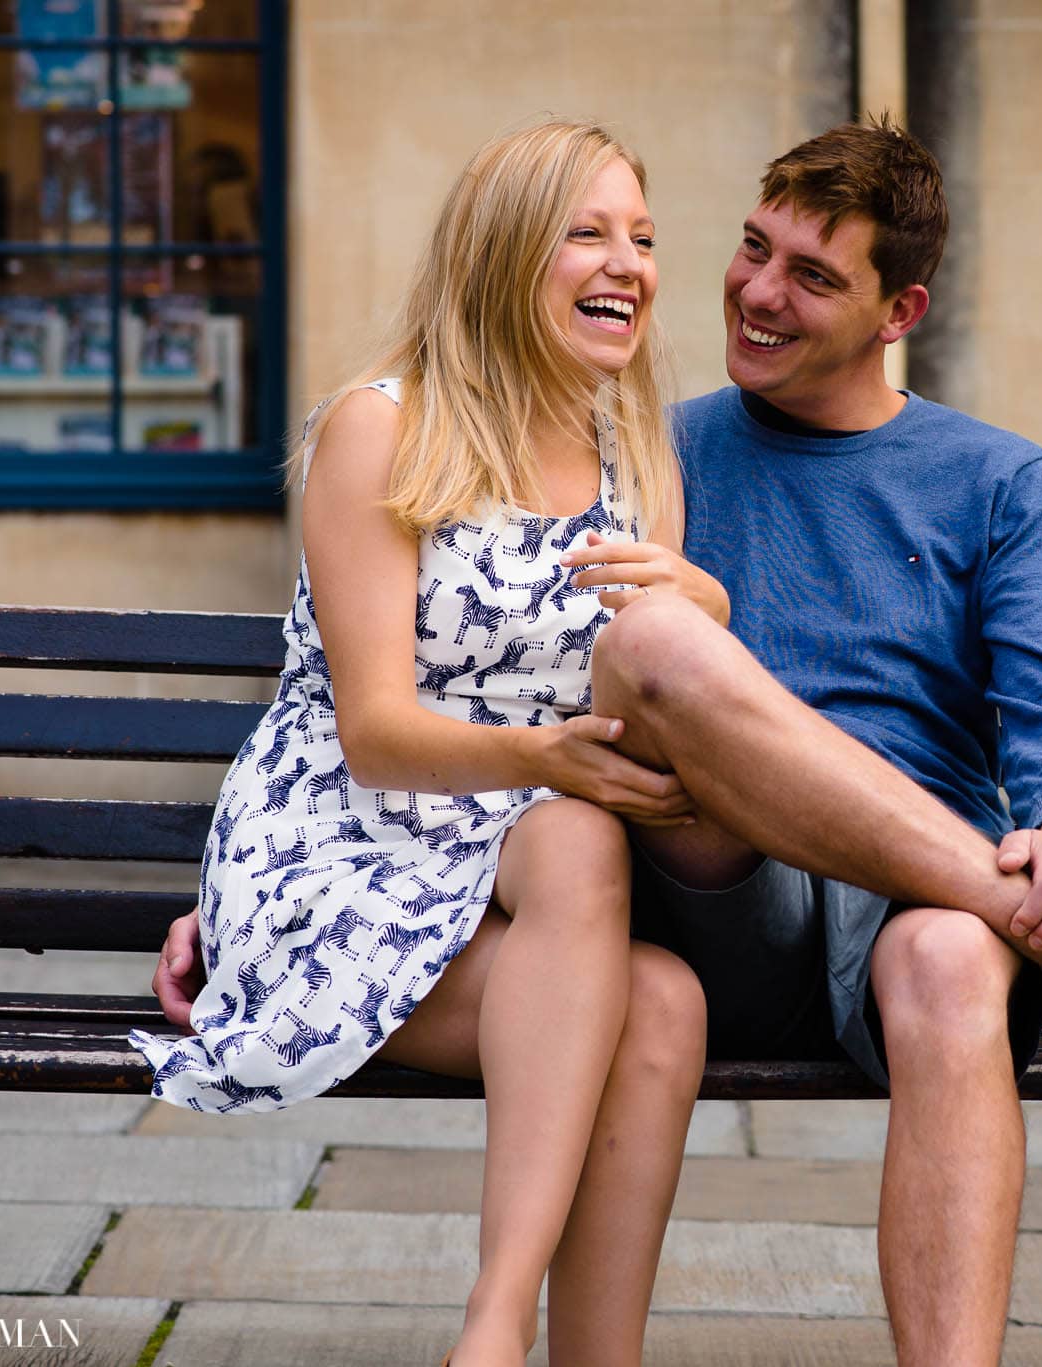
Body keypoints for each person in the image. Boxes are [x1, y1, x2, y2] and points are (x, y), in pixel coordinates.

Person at [156, 115, 1042, 1366]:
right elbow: (480, 679)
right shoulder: (658, 439)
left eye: (812, 276)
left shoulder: (996, 479)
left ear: (898, 309)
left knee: (944, 960)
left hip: (898, 913)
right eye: (752, 250)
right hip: (708, 877)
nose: (757, 295)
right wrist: (276, 893)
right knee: (656, 648)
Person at [132, 119, 725, 1367]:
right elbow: (377, 731)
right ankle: (494, 1330)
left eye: (645, 236)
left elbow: (656, 670)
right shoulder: (384, 429)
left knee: (663, 1001)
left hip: (517, 861)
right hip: (342, 842)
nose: (629, 261)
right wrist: (547, 759)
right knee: (574, 846)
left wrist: (702, 606)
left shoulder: (640, 455)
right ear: (506, 251)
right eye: (588, 231)